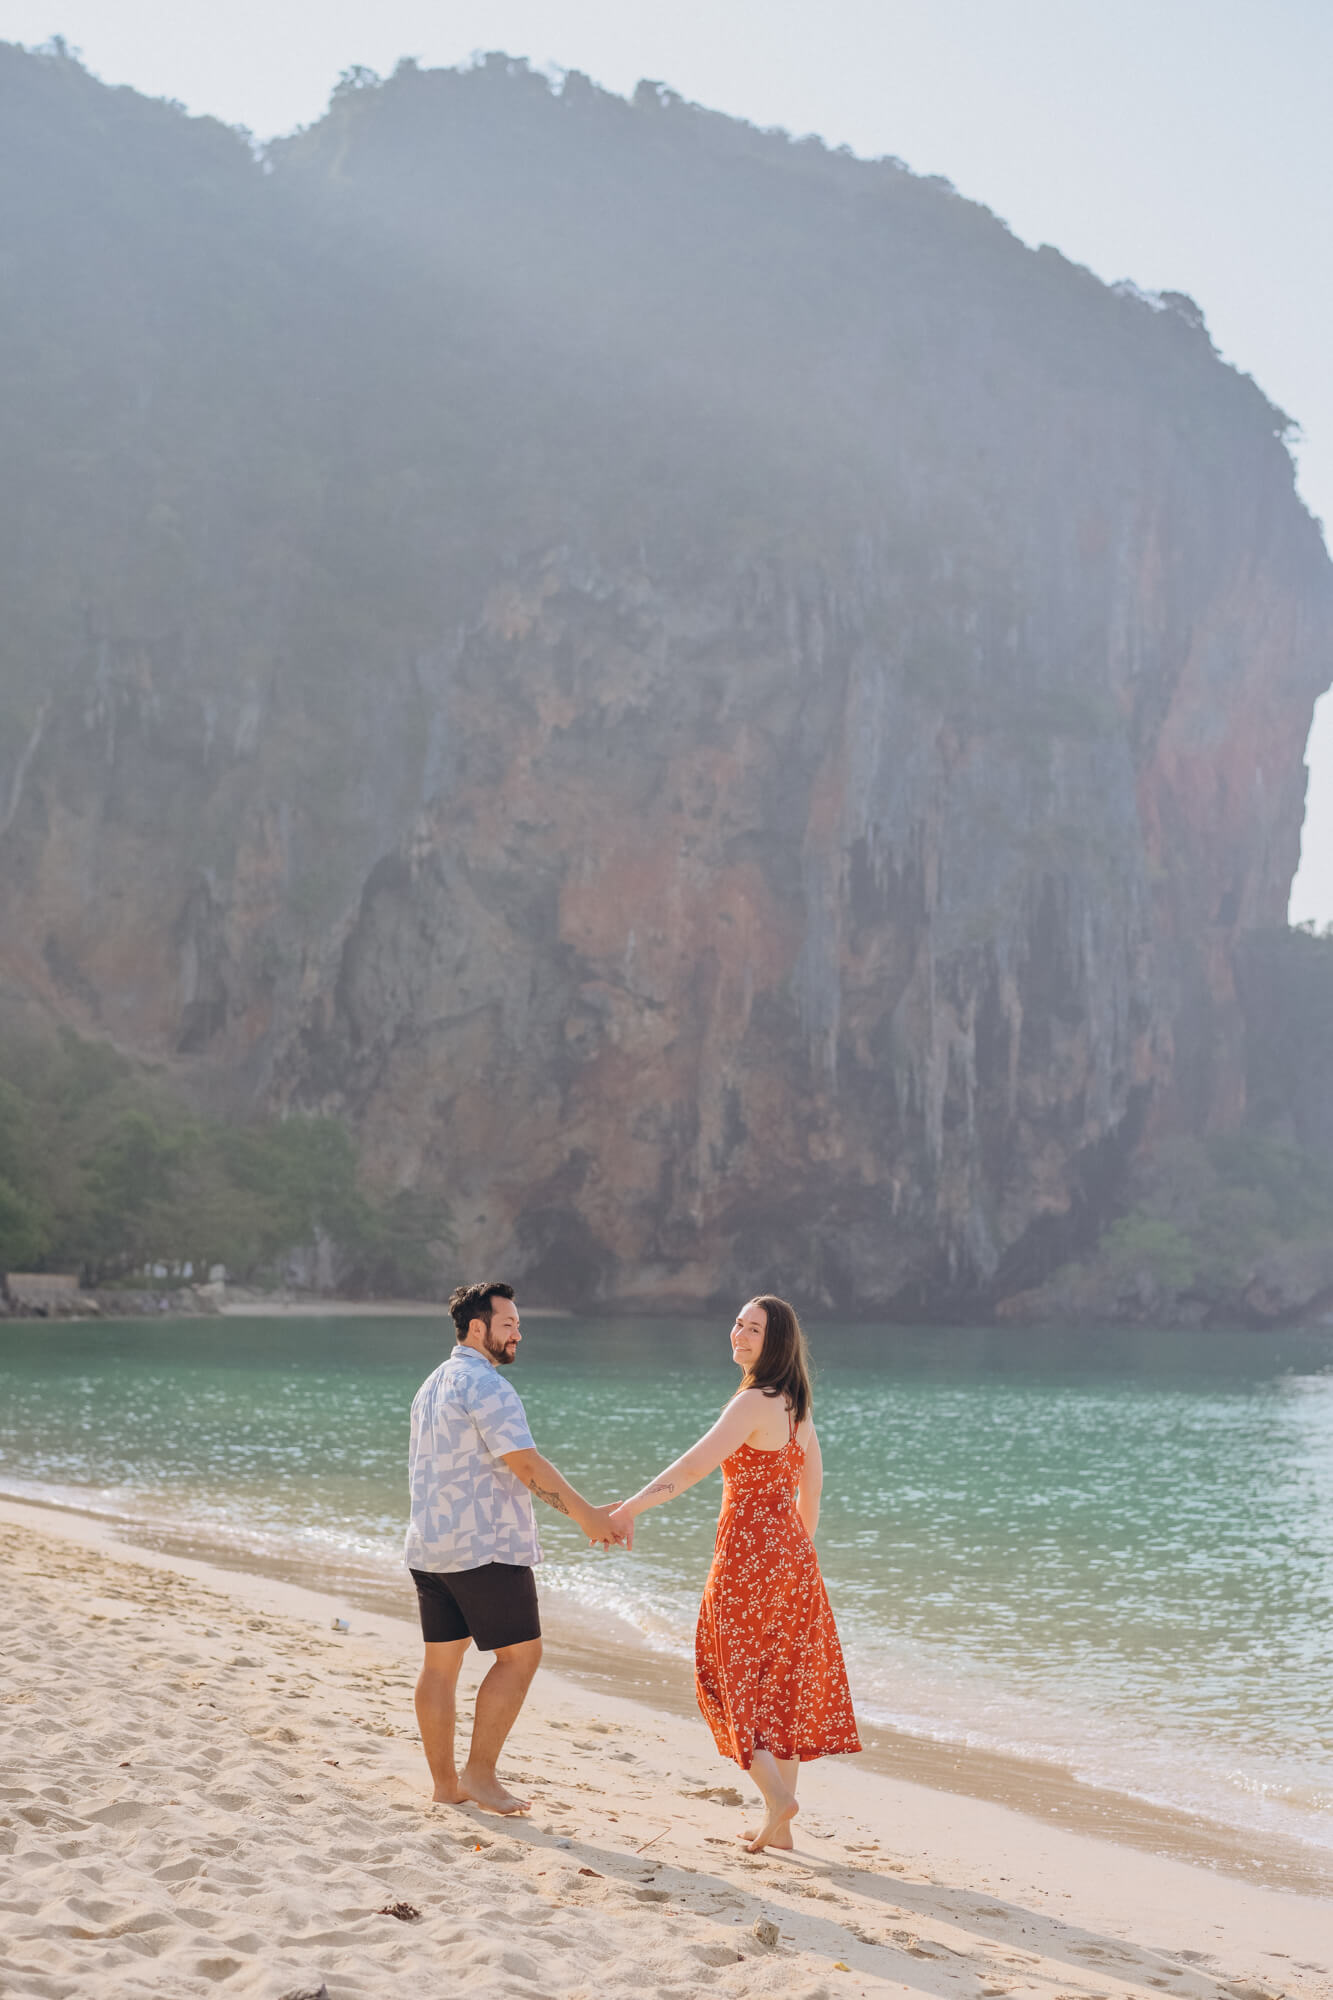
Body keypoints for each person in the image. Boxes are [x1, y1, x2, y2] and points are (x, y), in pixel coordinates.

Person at [609, 1296, 859, 1851]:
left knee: (723, 1676)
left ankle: (777, 1800)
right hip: (795, 1558)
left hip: (747, 1559)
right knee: (780, 1685)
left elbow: (695, 1465)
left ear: (777, 1343)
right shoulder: (797, 1405)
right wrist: (794, 1554)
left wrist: (628, 1508)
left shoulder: (753, 1401)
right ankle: (783, 1830)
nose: (739, 1335)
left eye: (754, 1330)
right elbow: (811, 1491)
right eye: (738, 1324)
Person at [406, 1280, 625, 1814]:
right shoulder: (486, 1385)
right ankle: (478, 1775)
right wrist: (588, 1517)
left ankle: (445, 1785)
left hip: (430, 1546)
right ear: (477, 1328)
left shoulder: (433, 1383)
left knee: (440, 1666)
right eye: (509, 1324)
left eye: (518, 1325)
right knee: (521, 1656)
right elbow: (525, 1464)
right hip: (485, 1546)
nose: (518, 1335)